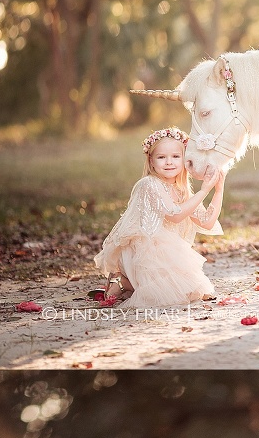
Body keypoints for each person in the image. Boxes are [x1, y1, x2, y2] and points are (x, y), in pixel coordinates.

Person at [89, 128, 224, 309]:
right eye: (161, 157)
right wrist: (203, 190)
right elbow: (175, 215)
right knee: (171, 292)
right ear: (151, 161)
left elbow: (207, 222)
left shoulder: (181, 191)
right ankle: (124, 281)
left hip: (165, 254)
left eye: (176, 156)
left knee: (190, 290)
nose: (169, 162)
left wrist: (218, 190)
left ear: (185, 159)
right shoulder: (149, 184)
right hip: (142, 252)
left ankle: (126, 284)